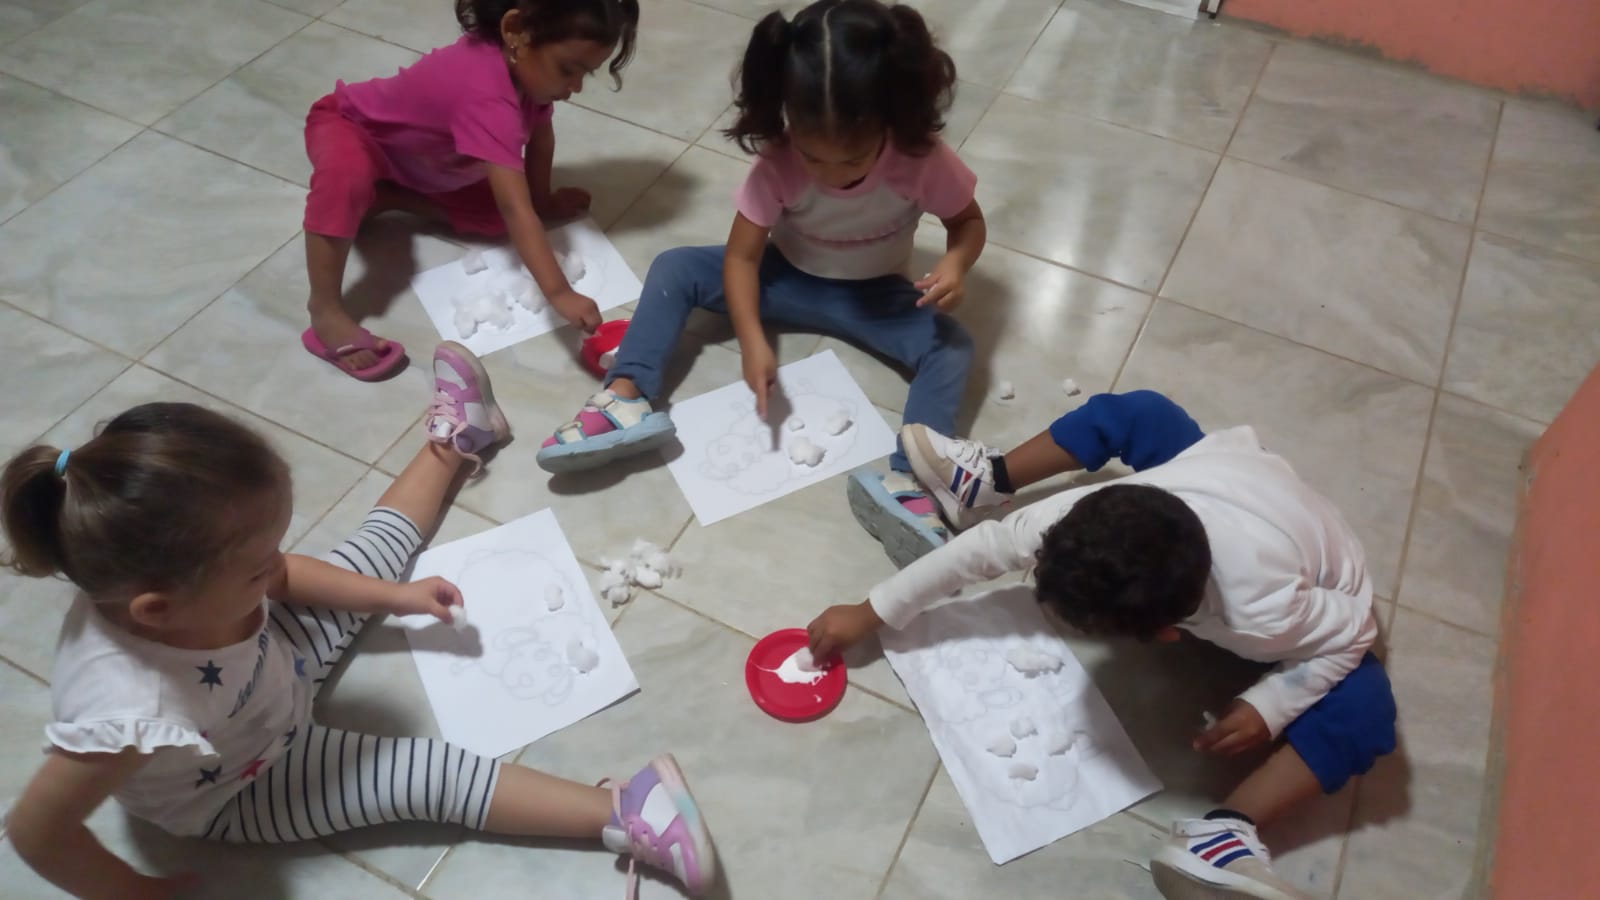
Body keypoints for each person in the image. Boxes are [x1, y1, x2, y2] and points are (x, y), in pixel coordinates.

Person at [0, 344, 715, 900]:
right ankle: (625, 813)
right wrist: (131, 892)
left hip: (264, 664)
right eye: (255, 567)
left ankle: (458, 439)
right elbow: (36, 833)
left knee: (366, 556)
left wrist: (391, 597)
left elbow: (282, 576)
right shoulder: (124, 711)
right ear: (158, 609)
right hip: (243, 778)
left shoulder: (192, 585)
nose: (275, 567)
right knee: (425, 775)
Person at [806, 391, 1395, 900]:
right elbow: (986, 548)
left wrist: (1273, 704)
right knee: (1142, 414)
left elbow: (1355, 631)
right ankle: (988, 477)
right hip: (1222, 480)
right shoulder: (1082, 519)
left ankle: (1224, 832)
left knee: (1365, 709)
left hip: (1313, 572)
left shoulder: (1264, 615)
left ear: (1166, 635)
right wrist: (872, 610)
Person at [536, 0, 985, 564]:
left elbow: (967, 223)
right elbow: (742, 259)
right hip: (784, 276)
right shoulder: (778, 160)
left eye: (851, 162)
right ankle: (626, 396)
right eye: (813, 157)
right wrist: (752, 338)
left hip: (876, 296)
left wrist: (956, 263)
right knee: (676, 267)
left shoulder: (922, 158)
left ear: (889, 119)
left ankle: (911, 481)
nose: (829, 175)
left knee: (952, 347)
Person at [301, 0, 639, 380]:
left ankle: (386, 197)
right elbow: (516, 210)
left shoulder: (526, 74)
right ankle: (325, 311)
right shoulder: (484, 93)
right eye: (567, 69)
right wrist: (559, 293)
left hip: (424, 167)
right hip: (354, 131)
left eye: (584, 74)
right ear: (516, 31)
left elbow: (541, 139)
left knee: (501, 216)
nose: (575, 87)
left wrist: (542, 201)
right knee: (345, 177)